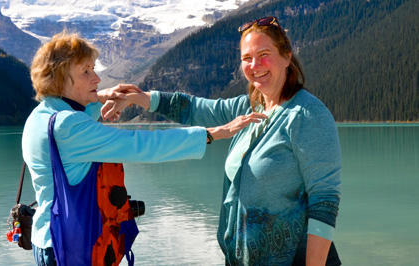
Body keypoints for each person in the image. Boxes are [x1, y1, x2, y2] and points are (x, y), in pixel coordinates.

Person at [102, 16, 342, 265]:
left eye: (264, 54)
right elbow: (195, 109)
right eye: (247, 58)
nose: (255, 65)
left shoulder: (307, 115)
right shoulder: (250, 106)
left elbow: (324, 201)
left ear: (287, 57)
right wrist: (137, 97)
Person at [22, 31, 266, 266]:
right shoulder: (68, 127)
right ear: (59, 78)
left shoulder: (41, 116)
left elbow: (76, 116)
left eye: (93, 69)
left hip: (49, 239)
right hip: (71, 246)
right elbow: (141, 145)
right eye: (86, 72)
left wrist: (102, 96)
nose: (96, 78)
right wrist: (211, 134)